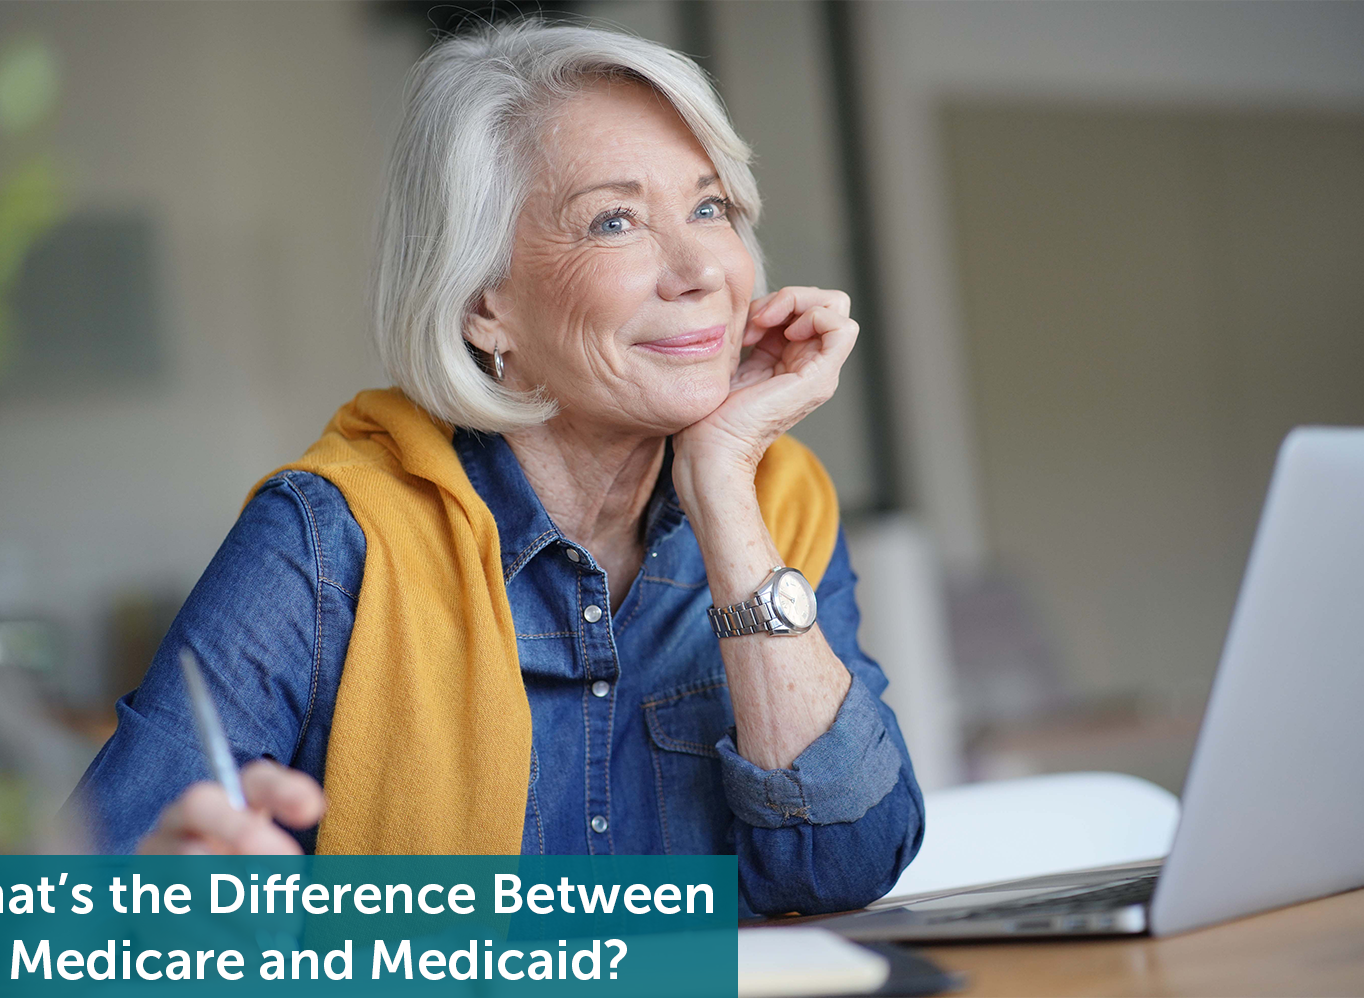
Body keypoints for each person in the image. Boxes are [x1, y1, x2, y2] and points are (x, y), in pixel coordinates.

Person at [69, 19, 923, 918]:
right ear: (485, 304)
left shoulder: (778, 503)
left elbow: (848, 863)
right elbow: (55, 921)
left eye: (710, 208)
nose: (701, 268)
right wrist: (178, 897)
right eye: (615, 220)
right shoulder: (327, 544)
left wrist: (722, 491)